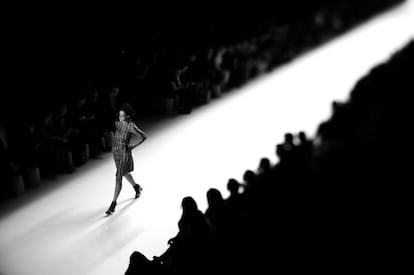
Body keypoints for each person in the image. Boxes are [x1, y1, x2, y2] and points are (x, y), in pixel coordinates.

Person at [105, 103, 147, 215]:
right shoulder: (118, 124)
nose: (120, 117)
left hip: (124, 153)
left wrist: (133, 146)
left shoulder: (130, 126)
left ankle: (113, 204)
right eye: (119, 115)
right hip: (116, 152)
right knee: (124, 173)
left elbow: (144, 136)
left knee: (118, 177)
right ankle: (137, 187)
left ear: (127, 116)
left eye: (122, 115)